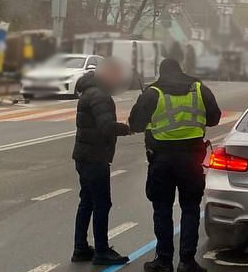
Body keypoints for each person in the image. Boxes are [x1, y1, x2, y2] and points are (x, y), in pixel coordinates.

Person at [129, 58, 221, 272]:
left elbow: (135, 124)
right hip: (191, 159)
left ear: (161, 73)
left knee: (162, 210)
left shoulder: (153, 92)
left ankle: (163, 261)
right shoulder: (199, 89)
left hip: (161, 160)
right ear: (182, 70)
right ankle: (187, 261)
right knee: (190, 209)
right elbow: (214, 118)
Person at [71, 58, 132, 265]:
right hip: (94, 157)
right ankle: (102, 251)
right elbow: (106, 126)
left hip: (84, 155)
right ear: (108, 74)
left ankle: (80, 248)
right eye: (116, 75)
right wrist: (127, 128)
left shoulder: (90, 91)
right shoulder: (99, 95)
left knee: (87, 202)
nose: (118, 80)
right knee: (101, 204)